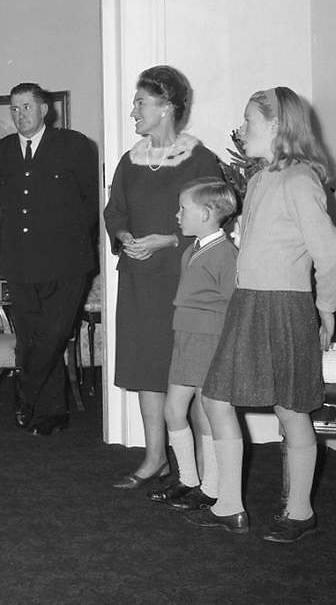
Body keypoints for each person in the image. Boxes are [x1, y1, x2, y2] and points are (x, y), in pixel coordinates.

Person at [188, 87, 336, 541]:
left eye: (249, 121)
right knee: (215, 397)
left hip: (284, 306)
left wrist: (328, 310)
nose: (242, 129)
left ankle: (299, 512)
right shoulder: (258, 181)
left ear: (275, 127)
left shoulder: (300, 181)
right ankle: (229, 506)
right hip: (249, 302)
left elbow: (328, 256)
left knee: (291, 409)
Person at [104, 66, 220, 489]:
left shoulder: (200, 159)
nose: (133, 110)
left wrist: (167, 240)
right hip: (137, 277)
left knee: (188, 374)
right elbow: (114, 209)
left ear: (166, 108)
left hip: (182, 282)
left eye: (141, 103)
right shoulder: (130, 161)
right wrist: (124, 235)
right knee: (145, 368)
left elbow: (214, 217)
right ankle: (155, 458)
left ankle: (205, 473)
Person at [0, 83, 98, 436]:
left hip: (66, 260)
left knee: (53, 333)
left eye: (26, 107)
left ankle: (25, 390)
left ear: (43, 110)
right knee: (31, 337)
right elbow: (6, 204)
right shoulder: (3, 150)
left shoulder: (73, 144)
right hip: (21, 261)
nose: (20, 114)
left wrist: (72, 237)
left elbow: (90, 200)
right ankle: (52, 411)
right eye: (15, 109)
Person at [146, 177, 237, 512]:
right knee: (173, 410)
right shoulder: (193, 248)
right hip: (185, 337)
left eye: (184, 208)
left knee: (207, 414)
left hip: (207, 341)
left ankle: (212, 487)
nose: (177, 215)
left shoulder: (225, 254)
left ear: (207, 213)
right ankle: (189, 479)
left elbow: (236, 305)